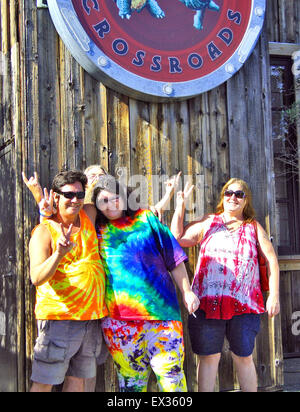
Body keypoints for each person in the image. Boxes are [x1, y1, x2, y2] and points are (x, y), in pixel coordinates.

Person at [91, 174, 200, 392]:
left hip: (162, 316)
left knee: (172, 379)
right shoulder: (96, 230)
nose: (110, 205)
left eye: (114, 198)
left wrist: (187, 291)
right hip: (119, 322)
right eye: (103, 201)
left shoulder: (146, 219)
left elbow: (174, 258)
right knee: (131, 384)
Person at [171, 178, 280, 392]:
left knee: (244, 357)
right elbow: (176, 238)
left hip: (245, 304)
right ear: (223, 196)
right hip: (207, 302)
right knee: (209, 357)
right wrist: (180, 205)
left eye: (239, 194)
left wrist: (274, 295)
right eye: (229, 193)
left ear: (246, 200)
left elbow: (272, 260)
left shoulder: (253, 226)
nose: (233, 197)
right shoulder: (209, 221)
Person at [28, 170, 108, 392]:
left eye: (80, 194)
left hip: (91, 318)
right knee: (44, 382)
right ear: (56, 196)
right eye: (68, 194)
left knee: (77, 381)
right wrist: (58, 255)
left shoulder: (88, 214)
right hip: (60, 319)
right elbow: (36, 277)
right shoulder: (44, 232)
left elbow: (106, 195)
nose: (75, 200)